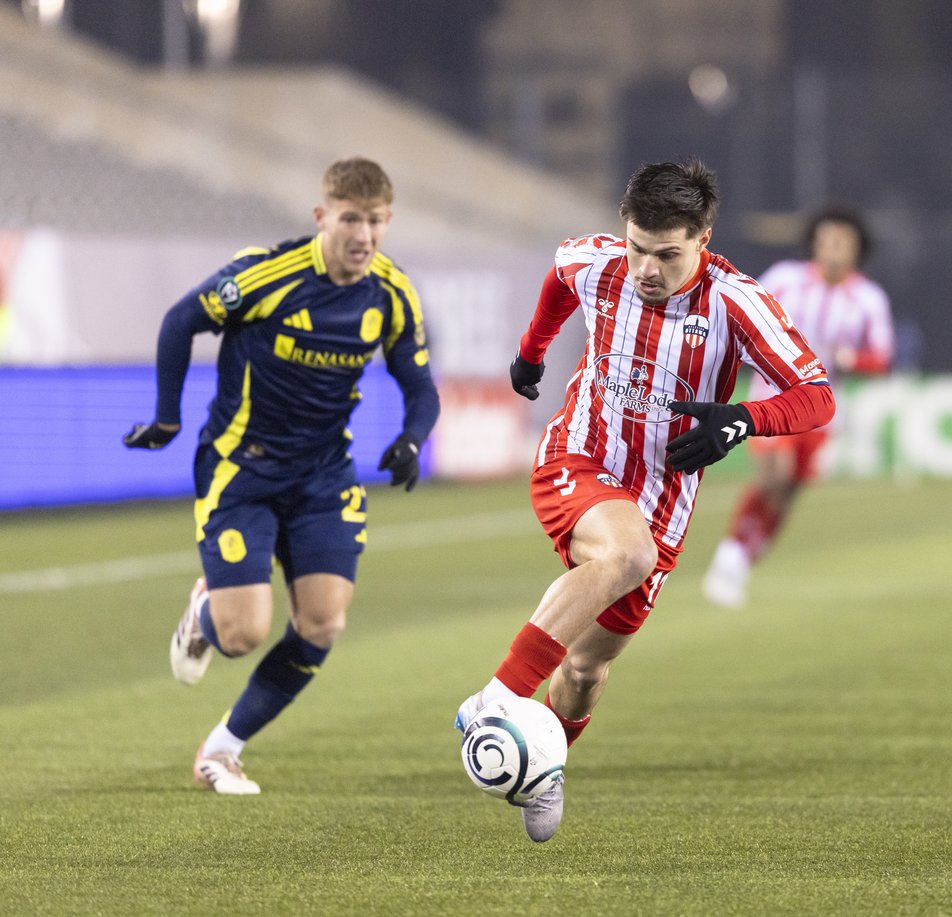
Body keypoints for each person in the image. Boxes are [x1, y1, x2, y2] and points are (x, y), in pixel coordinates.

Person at [453, 159, 834, 841]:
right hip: (578, 455)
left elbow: (816, 394)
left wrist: (742, 419)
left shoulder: (736, 302)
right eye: (637, 248)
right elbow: (558, 279)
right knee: (627, 552)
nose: (645, 269)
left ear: (703, 240)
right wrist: (532, 352)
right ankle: (494, 701)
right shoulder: (598, 262)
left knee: (587, 665)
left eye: (667, 254)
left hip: (663, 497)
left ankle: (543, 765)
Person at [123, 157, 439, 795]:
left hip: (324, 476)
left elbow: (419, 384)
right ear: (322, 216)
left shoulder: (391, 291)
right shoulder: (268, 275)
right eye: (351, 219)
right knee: (242, 634)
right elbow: (182, 319)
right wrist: (166, 416)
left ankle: (222, 750)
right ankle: (206, 608)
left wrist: (412, 437)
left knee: (323, 624)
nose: (363, 236)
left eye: (375, 222)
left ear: (387, 222)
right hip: (243, 469)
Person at [700, 206, 894, 608]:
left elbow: (882, 358)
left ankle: (742, 560)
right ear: (815, 244)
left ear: (857, 250)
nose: (834, 249)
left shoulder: (868, 298)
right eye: (827, 241)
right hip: (772, 398)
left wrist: (851, 361)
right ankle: (728, 559)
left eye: (843, 243)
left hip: (820, 412)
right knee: (774, 476)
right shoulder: (785, 279)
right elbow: (742, 315)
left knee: (787, 493)